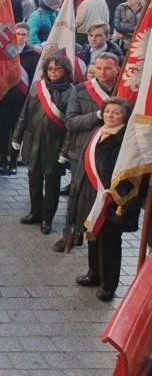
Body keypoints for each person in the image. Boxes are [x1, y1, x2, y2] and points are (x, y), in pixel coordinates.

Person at [70, 97, 141, 301]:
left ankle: (108, 284)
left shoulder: (127, 142)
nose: (110, 115)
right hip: (92, 196)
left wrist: (118, 200)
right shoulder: (97, 132)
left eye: (116, 112)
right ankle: (94, 274)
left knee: (109, 244)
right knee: (92, 236)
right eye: (108, 111)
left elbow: (129, 175)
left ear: (125, 117)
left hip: (112, 200)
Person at [54, 52, 121, 252]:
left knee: (105, 195)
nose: (102, 72)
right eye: (99, 68)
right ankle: (71, 233)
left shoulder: (125, 89)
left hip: (113, 153)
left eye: (108, 68)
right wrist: (98, 115)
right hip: (83, 151)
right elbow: (71, 121)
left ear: (117, 68)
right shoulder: (81, 90)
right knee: (76, 192)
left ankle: (97, 234)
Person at [12, 57, 75, 234]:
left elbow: (70, 126)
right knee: (34, 178)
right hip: (33, 140)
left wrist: (65, 150)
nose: (53, 72)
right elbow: (24, 113)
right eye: (50, 69)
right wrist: (17, 136)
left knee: (52, 182)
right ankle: (35, 212)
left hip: (55, 144)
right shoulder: (37, 87)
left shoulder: (72, 92)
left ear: (65, 71)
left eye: (58, 69)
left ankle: (47, 219)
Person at [0, 23, 40, 176]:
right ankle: (2, 161)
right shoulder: (7, 52)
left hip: (22, 99)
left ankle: (13, 161)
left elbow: (34, 77)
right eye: (18, 34)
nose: (20, 37)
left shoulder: (33, 54)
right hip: (6, 97)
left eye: (23, 35)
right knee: (4, 130)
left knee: (17, 131)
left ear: (28, 36)